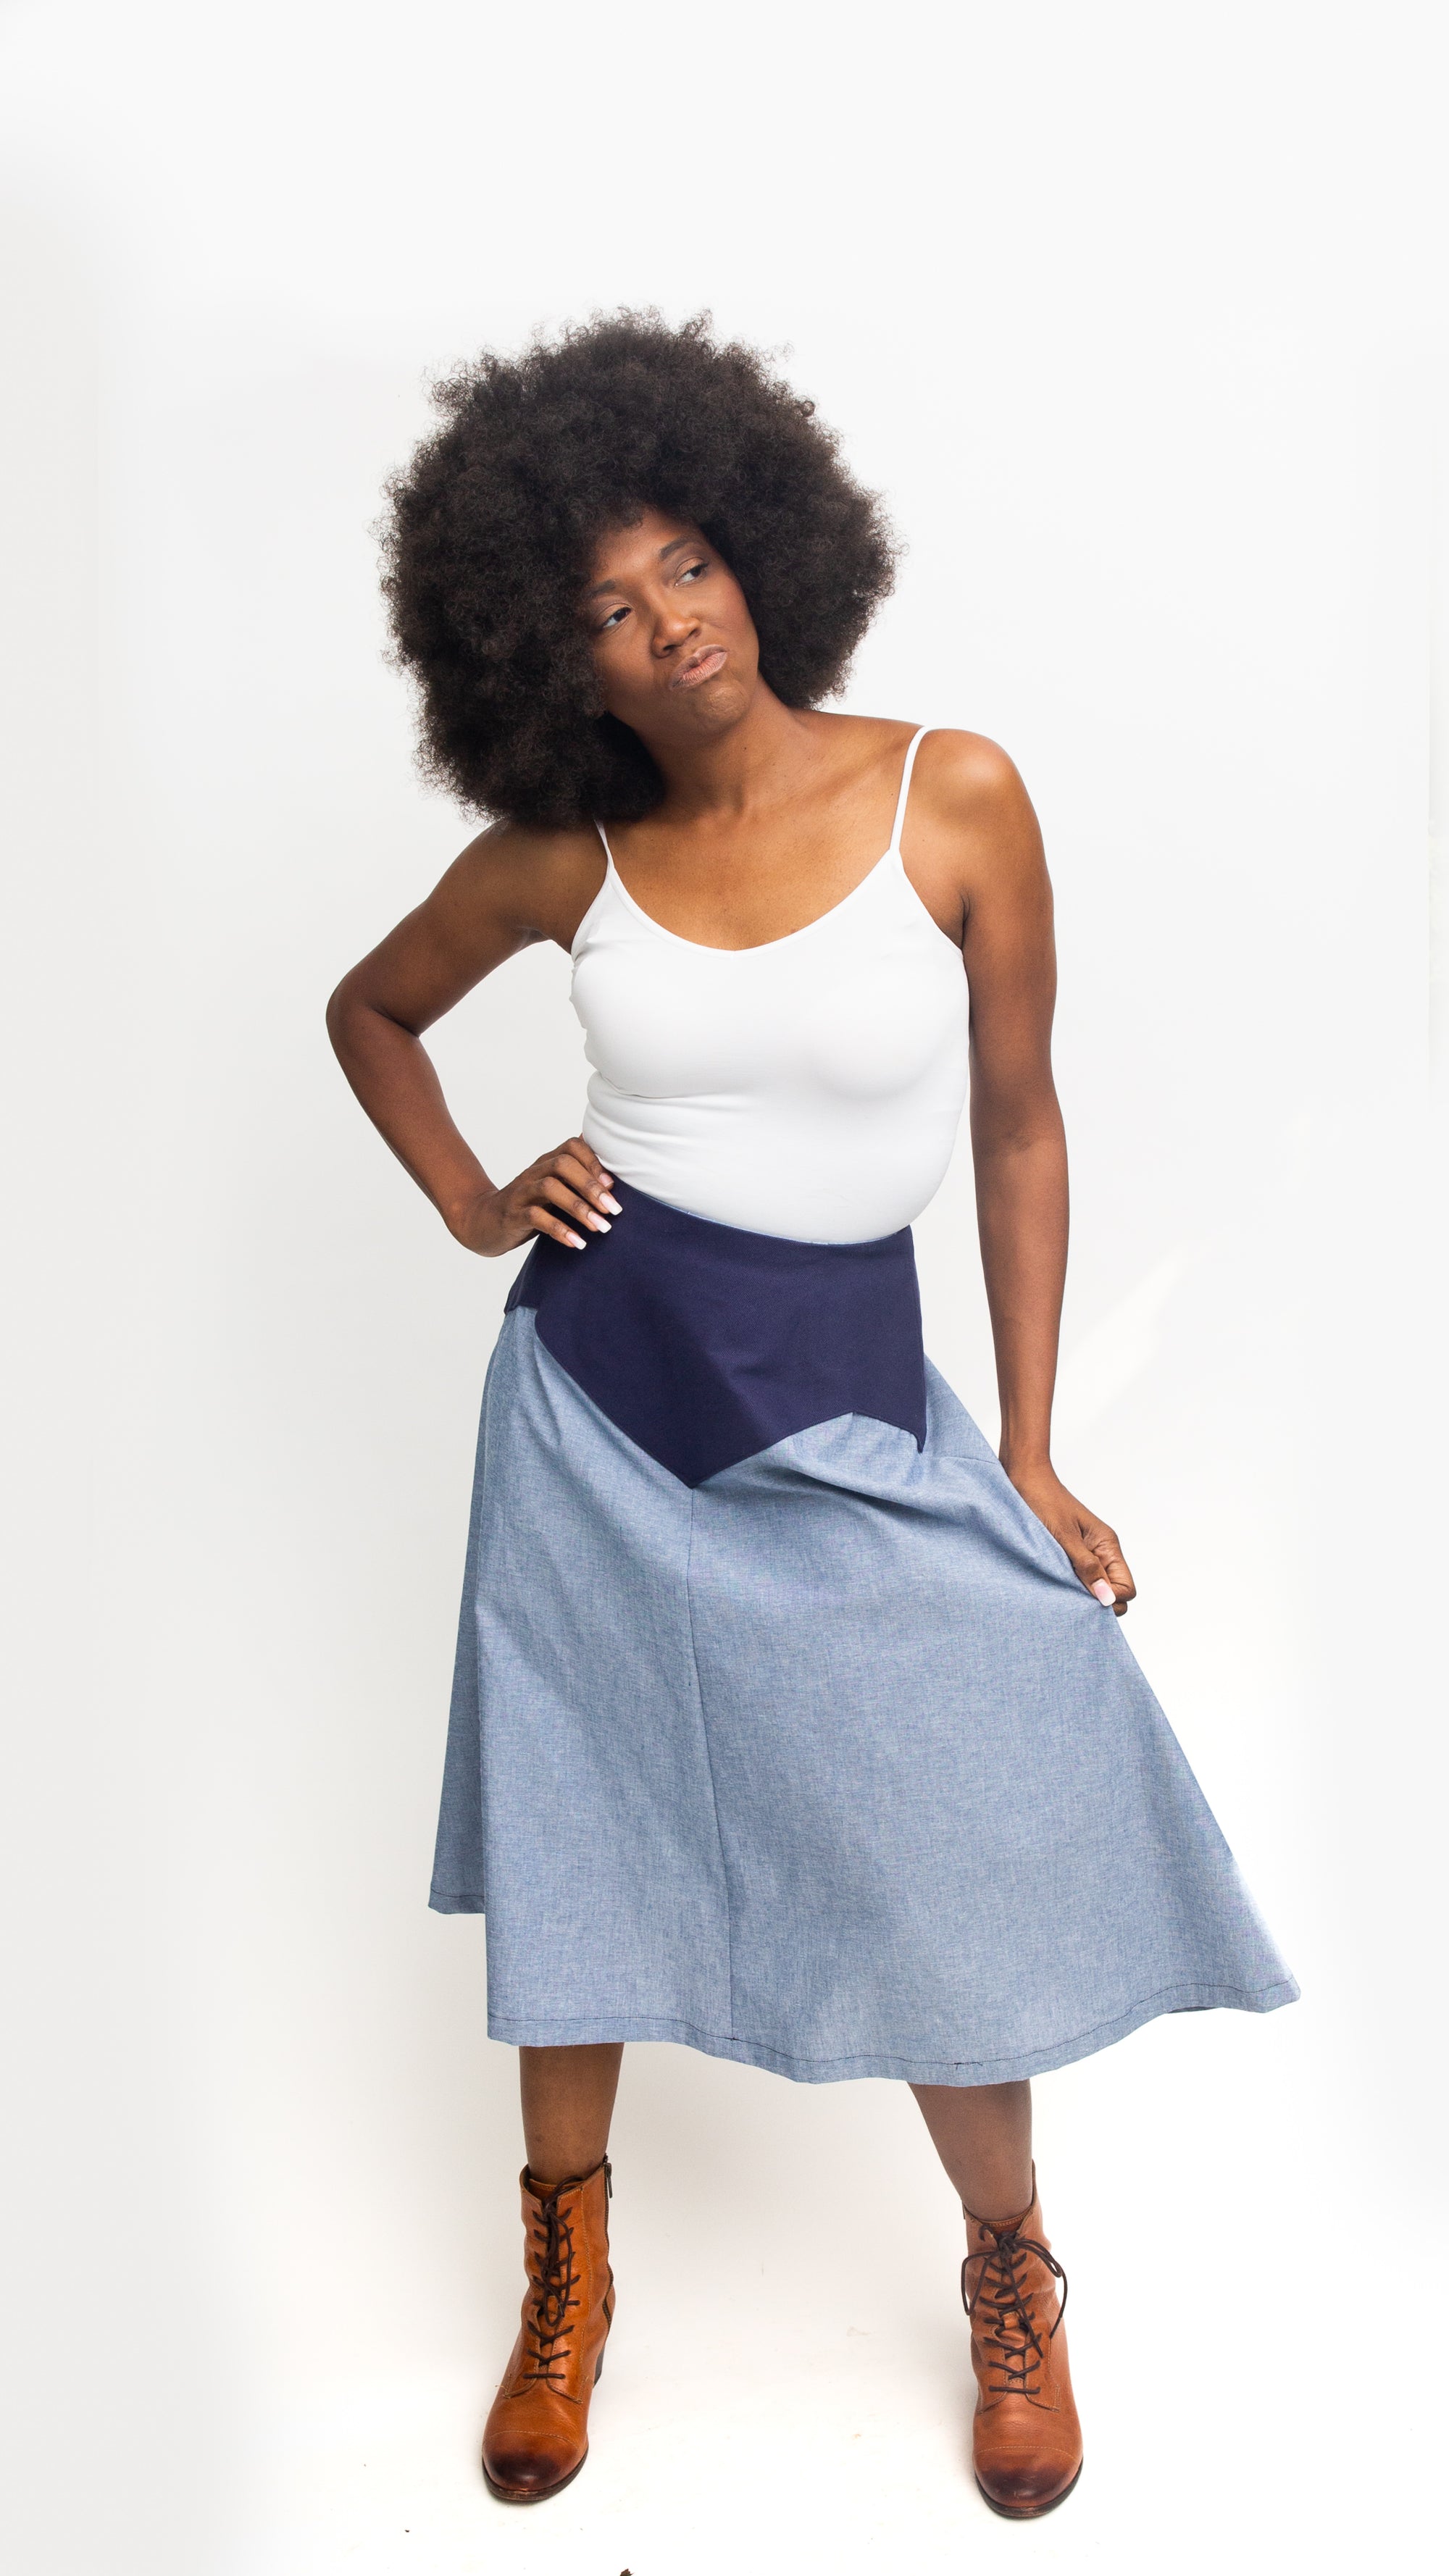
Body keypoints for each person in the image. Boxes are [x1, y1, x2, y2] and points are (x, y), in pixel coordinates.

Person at [327, 311, 1297, 2520]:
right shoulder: (564, 857)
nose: (669, 623)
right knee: (579, 1857)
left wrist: (1030, 1451)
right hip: (592, 1423)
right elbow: (374, 1009)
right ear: (549, 659)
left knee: (938, 1833)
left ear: (760, 545)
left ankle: (1011, 2267)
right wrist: (482, 1192)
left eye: (686, 562)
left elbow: (1021, 1127)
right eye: (605, 606)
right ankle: (566, 2283)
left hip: (846, 1406)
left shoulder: (951, 791)